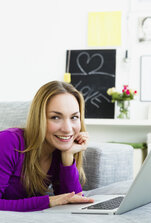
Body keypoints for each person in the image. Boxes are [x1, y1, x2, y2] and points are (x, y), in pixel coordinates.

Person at [0, 81, 94, 212]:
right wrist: (49, 201)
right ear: (39, 118)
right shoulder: (7, 141)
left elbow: (73, 200)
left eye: (74, 117)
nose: (67, 129)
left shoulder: (57, 149)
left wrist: (67, 156)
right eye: (55, 117)